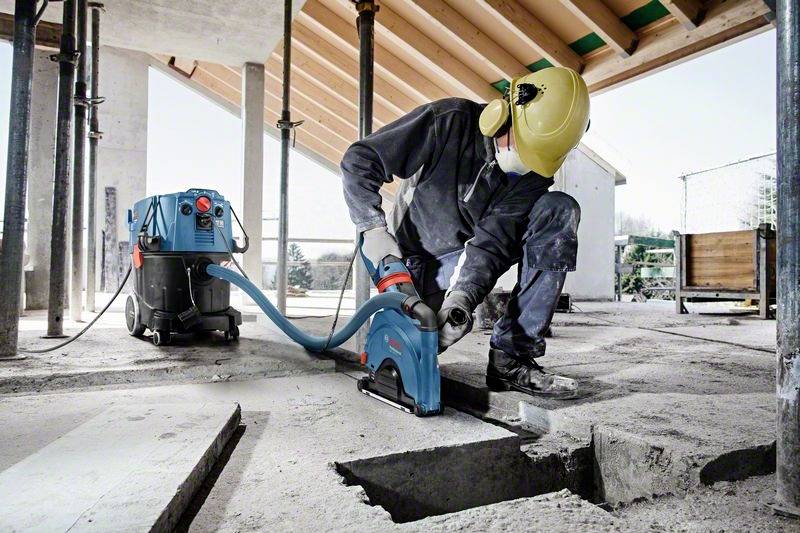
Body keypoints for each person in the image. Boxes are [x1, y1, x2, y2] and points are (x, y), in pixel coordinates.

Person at [340, 67, 590, 397]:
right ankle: (402, 321)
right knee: (406, 351)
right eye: (523, 148)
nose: (525, 164)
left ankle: (511, 358)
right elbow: (361, 159)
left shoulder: (532, 177)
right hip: (411, 258)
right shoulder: (450, 121)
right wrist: (372, 228)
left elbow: (493, 242)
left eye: (535, 158)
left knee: (559, 209)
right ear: (503, 114)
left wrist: (461, 301)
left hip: (464, 255)